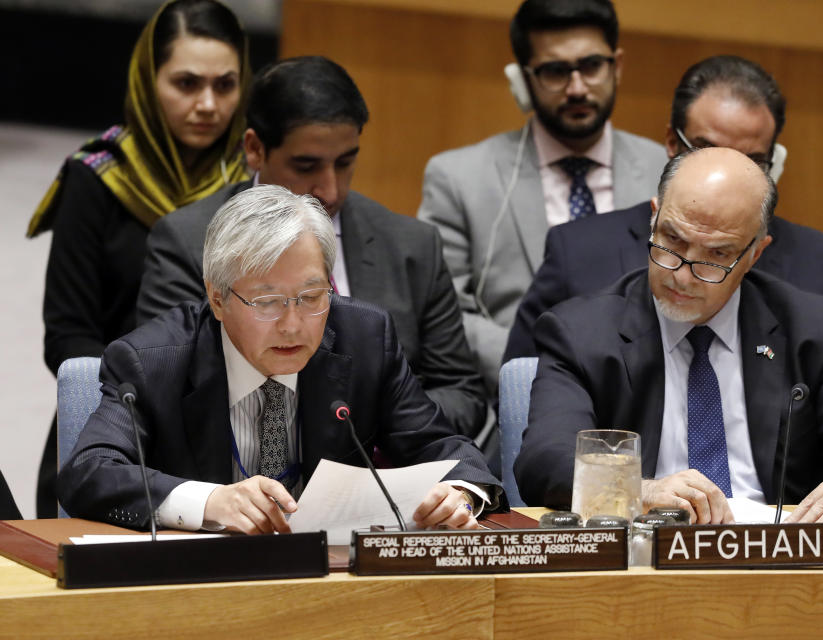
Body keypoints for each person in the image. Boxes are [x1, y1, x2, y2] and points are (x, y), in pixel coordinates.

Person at [514, 148, 823, 524]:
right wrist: (641, 492)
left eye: (716, 255)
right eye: (672, 240)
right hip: (644, 558)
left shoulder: (810, 330)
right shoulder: (581, 332)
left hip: (776, 568)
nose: (682, 273)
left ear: (754, 254)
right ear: (654, 218)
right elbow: (543, 463)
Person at [58, 185, 501, 534]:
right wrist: (209, 502)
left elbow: (444, 449)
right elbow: (89, 473)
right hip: (204, 586)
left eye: (311, 297)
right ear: (217, 298)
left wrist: (458, 493)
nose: (293, 325)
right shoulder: (152, 361)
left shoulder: (364, 339)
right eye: (268, 302)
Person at [137, 56, 486, 439]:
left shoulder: (412, 246)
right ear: (254, 149)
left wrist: (371, 432)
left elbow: (462, 393)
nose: (330, 189)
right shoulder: (187, 242)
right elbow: (168, 390)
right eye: (306, 166)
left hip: (380, 474)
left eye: (345, 163)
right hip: (238, 475)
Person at [504, 55, 823, 391]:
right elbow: (525, 400)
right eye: (706, 150)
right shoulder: (580, 252)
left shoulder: (821, 265)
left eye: (752, 161)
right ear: (670, 141)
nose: (725, 173)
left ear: (774, 163)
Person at [29, 0, 249, 518]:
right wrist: (157, 391)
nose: (209, 104)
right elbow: (67, 334)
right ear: (149, 81)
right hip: (118, 423)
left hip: (238, 422)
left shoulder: (253, 181)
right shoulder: (99, 176)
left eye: (225, 85)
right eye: (187, 83)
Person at [417, 0, 666, 394]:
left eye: (591, 66)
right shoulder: (459, 178)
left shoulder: (665, 171)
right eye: (555, 71)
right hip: (513, 398)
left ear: (616, 66)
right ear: (523, 80)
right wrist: (540, 362)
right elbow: (439, 313)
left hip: (647, 393)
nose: (577, 87)